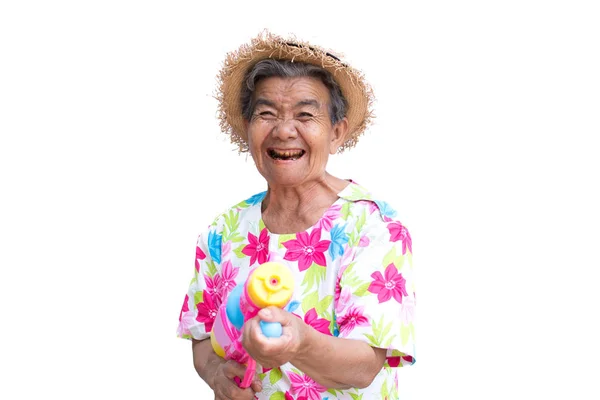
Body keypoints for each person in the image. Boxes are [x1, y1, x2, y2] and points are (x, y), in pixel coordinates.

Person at [177, 30, 416, 400]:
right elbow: (203, 337)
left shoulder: (373, 226)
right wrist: (217, 375)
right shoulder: (222, 231)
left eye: (305, 115)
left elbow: (365, 364)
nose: (284, 130)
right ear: (248, 130)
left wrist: (299, 344)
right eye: (266, 114)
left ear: (337, 133)